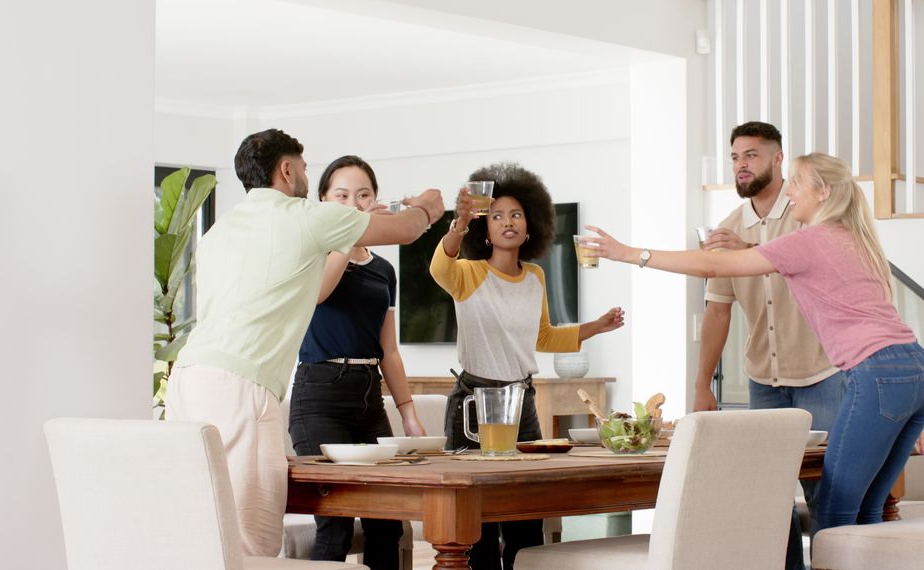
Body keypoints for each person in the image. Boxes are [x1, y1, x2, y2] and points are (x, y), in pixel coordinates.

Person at [586, 152, 924, 533]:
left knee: (835, 513)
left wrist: (628, 254)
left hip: (876, 374)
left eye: (798, 183)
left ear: (824, 192)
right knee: (868, 510)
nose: (789, 192)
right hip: (918, 371)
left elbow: (713, 266)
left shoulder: (809, 240)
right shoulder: (855, 239)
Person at [166, 129, 445, 557]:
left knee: (199, 525)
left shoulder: (220, 231)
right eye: (304, 167)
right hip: (241, 386)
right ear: (287, 168)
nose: (304, 176)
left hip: (187, 381)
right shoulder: (308, 216)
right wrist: (429, 205)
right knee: (251, 541)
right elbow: (408, 230)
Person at [430, 162, 625, 569]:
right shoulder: (468, 274)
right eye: (497, 215)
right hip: (474, 404)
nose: (508, 222)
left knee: (524, 512)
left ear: (530, 224)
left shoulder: (534, 276)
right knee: (476, 521)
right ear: (486, 228)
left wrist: (597, 327)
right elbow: (439, 267)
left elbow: (543, 338)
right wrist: (460, 222)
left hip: (523, 402)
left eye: (516, 214)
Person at [694, 122, 845, 569]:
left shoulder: (808, 213)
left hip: (823, 375)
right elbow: (718, 311)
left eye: (753, 155)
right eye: (736, 157)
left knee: (827, 495)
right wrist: (703, 384)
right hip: (764, 382)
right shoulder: (725, 228)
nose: (742, 165)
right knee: (767, 500)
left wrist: (751, 247)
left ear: (778, 159)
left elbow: (811, 266)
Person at [287, 155, 426, 567]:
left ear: (375, 200)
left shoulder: (383, 269)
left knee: (387, 521)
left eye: (363, 195)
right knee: (337, 522)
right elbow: (319, 295)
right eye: (342, 196)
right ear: (324, 200)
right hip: (319, 398)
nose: (354, 204)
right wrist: (345, 238)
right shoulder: (312, 254)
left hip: (368, 401)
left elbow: (390, 350)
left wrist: (409, 412)